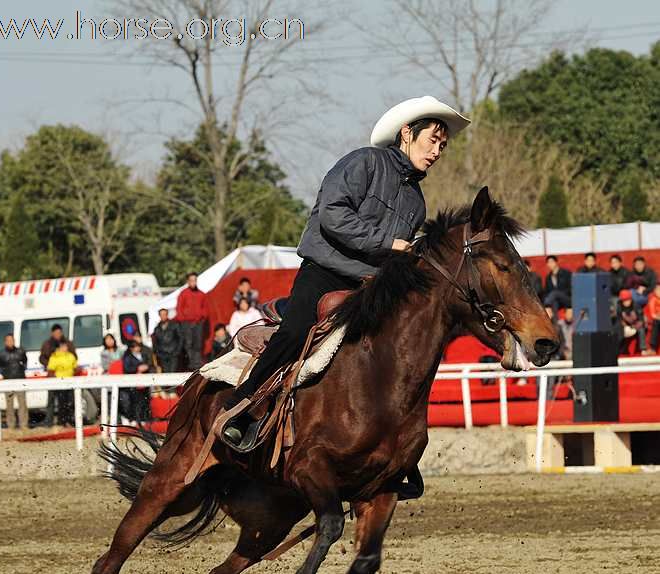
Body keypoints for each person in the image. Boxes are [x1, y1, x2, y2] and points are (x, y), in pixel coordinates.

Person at [221, 95, 471, 448]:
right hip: (325, 271)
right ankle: (242, 407)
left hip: (370, 287)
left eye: (442, 146)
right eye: (432, 140)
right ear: (406, 133)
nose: (436, 151)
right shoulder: (365, 162)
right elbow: (333, 214)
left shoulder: (417, 202)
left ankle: (392, 443)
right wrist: (390, 243)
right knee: (295, 333)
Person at [40, 324, 77, 427]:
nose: (58, 334)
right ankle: (49, 422)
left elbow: (74, 358)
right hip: (54, 377)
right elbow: (42, 358)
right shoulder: (47, 344)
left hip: (68, 379)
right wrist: (50, 365)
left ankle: (67, 421)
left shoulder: (68, 343)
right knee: (52, 401)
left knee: (67, 401)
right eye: (56, 333)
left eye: (59, 332)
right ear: (52, 333)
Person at [175, 273, 210, 371]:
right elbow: (179, 308)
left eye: (195, 280)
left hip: (198, 323)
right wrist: (183, 320)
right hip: (186, 323)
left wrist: (202, 318)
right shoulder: (183, 294)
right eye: (191, 280)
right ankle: (191, 363)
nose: (193, 282)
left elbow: (205, 308)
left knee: (198, 343)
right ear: (188, 282)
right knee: (188, 343)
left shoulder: (201, 294)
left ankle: (197, 363)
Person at [0, 333, 28, 429]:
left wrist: (20, 371)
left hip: (20, 380)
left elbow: (25, 363)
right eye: (8, 340)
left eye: (12, 340)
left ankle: (24, 425)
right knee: (9, 405)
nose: (10, 342)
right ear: (5, 342)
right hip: (8, 382)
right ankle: (11, 426)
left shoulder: (20, 351)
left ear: (14, 341)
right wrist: (6, 374)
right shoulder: (1, 353)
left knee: (22, 404)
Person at [47, 340, 78, 426]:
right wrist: (55, 381)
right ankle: (62, 422)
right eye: (63, 346)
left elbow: (75, 367)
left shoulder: (71, 356)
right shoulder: (54, 357)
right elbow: (51, 370)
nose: (65, 348)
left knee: (71, 402)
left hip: (70, 383)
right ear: (59, 348)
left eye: (65, 346)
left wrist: (74, 373)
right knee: (62, 403)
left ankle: (70, 420)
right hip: (60, 383)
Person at [122, 339, 154, 425]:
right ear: (131, 348)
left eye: (138, 346)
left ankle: (145, 418)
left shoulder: (143, 355)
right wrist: (137, 368)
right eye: (135, 347)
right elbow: (127, 368)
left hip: (145, 381)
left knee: (146, 400)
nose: (137, 348)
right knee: (136, 401)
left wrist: (146, 367)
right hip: (134, 383)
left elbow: (150, 364)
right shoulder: (128, 357)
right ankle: (136, 418)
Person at [616, 290, 652, 356]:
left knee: (641, 330)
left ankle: (643, 349)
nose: (627, 302)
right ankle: (620, 350)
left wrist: (635, 326)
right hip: (627, 325)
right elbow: (619, 318)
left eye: (628, 300)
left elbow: (641, 319)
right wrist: (625, 325)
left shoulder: (636, 305)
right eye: (624, 301)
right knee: (619, 330)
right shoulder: (619, 306)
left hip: (638, 324)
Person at [152, 308, 182, 373]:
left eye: (164, 314)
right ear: (159, 316)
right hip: (162, 355)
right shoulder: (157, 328)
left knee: (173, 372)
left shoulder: (175, 325)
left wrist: (177, 351)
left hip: (173, 353)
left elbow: (180, 338)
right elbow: (155, 342)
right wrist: (158, 353)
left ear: (167, 315)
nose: (163, 316)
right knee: (166, 373)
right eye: (161, 315)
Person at [648, 283, 660, 353]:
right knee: (656, 323)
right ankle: (653, 348)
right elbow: (653, 315)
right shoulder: (653, 300)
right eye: (658, 290)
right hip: (657, 320)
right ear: (655, 291)